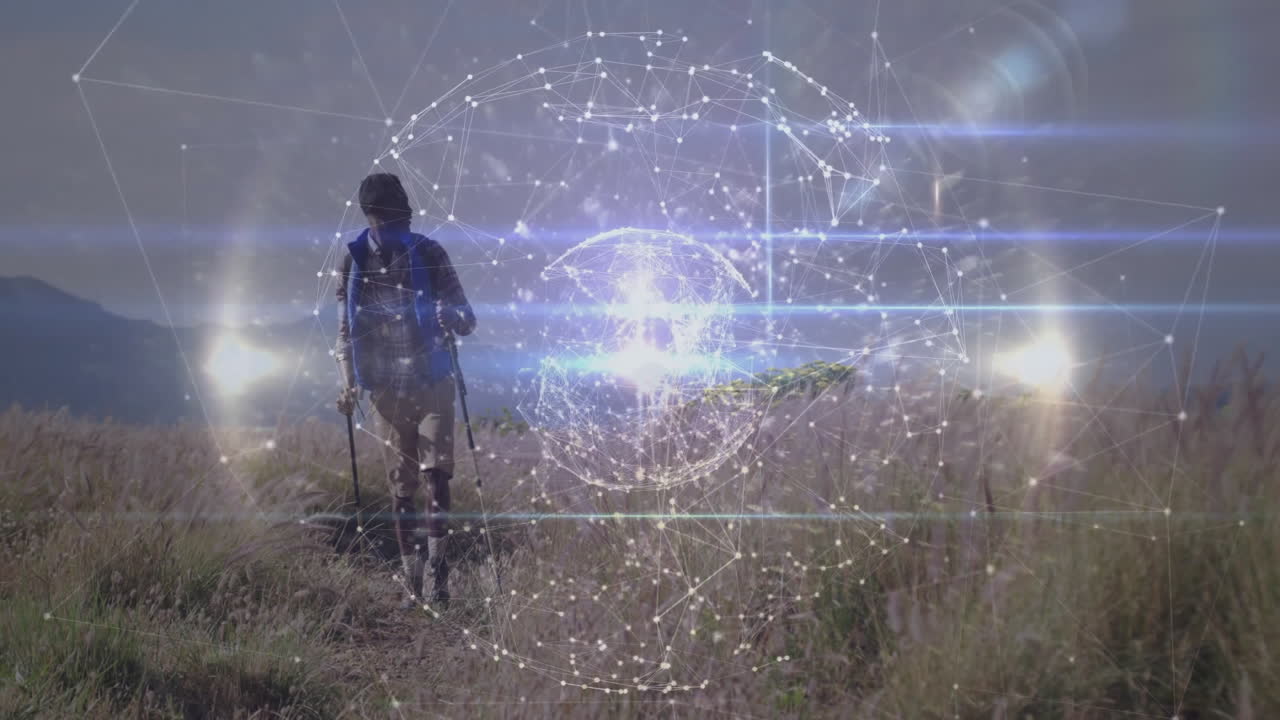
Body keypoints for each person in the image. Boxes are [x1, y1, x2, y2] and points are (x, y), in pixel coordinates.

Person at [335, 172, 476, 609]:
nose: (398, 227)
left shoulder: (431, 254)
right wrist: (348, 385)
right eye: (388, 220)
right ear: (372, 218)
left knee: (437, 475)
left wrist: (446, 316)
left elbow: (466, 318)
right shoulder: (353, 262)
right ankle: (411, 575)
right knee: (402, 487)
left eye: (401, 219)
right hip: (385, 388)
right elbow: (346, 331)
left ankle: (438, 575)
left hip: (432, 380)